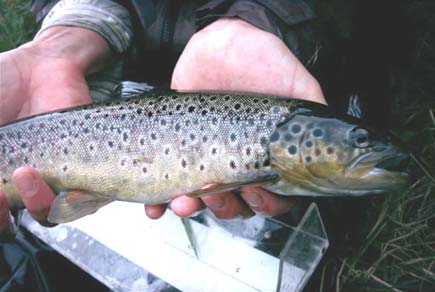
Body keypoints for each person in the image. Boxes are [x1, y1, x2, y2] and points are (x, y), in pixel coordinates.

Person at [0, 0, 325, 234]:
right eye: (360, 142)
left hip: (268, 63)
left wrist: (262, 16)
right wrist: (74, 30)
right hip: (123, 72)